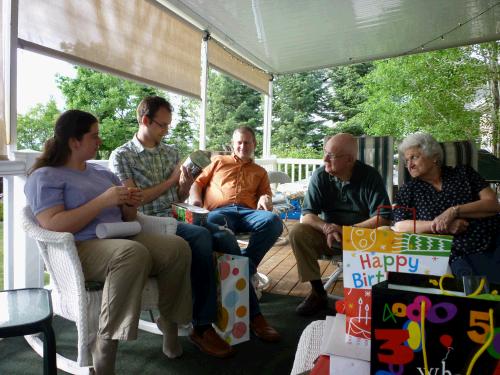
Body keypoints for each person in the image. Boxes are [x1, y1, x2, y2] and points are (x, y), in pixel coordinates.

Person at [24, 110, 192, 374]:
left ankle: (169, 323)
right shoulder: (46, 176)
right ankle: (105, 344)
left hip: (120, 236)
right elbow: (53, 224)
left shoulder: (101, 174)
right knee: (132, 253)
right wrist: (103, 201)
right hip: (79, 248)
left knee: (177, 247)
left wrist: (129, 203)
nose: (100, 141)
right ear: (74, 141)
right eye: (94, 136)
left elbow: (127, 216)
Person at [109, 96, 234, 358]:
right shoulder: (122, 155)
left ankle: (242, 311)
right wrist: (170, 181)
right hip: (147, 223)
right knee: (200, 237)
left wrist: (185, 183)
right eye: (162, 125)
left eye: (168, 126)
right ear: (145, 120)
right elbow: (135, 199)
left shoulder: (171, 152)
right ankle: (201, 325)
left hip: (176, 215)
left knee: (225, 237)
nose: (166, 131)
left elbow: (179, 197)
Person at [190, 126, 282, 342]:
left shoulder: (260, 172)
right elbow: (197, 183)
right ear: (233, 144)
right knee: (223, 234)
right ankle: (256, 316)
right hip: (219, 212)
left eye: (247, 142)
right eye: (239, 142)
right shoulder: (219, 162)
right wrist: (195, 202)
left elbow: (265, 196)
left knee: (273, 221)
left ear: (254, 145)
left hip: (248, 212)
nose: (243, 146)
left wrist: (264, 200)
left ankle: (246, 265)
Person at [289, 133, 391, 316]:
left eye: (332, 156)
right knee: (298, 231)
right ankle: (318, 292)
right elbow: (307, 214)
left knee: (384, 232)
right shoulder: (320, 176)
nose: (325, 159)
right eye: (325, 152)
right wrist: (327, 228)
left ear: (350, 160)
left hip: (361, 239)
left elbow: (382, 217)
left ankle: (367, 300)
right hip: (329, 237)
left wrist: (346, 231)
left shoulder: (370, 177)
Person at [393, 132, 500, 282]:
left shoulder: (463, 173)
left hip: (494, 240)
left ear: (434, 156)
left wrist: (453, 211)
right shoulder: (408, 190)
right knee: (481, 293)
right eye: (406, 160)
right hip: (458, 251)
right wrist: (441, 225)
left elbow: (493, 204)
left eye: (414, 157)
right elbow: (399, 226)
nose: (409, 165)